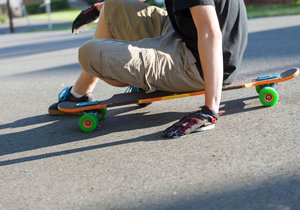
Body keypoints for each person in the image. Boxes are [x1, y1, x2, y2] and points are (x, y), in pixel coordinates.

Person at [49, 0, 248, 138]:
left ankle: (142, 80)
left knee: (89, 53)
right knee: (113, 5)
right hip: (182, 36)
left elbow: (210, 34)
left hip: (199, 62)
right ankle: (80, 93)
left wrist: (209, 110)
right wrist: (100, 9)